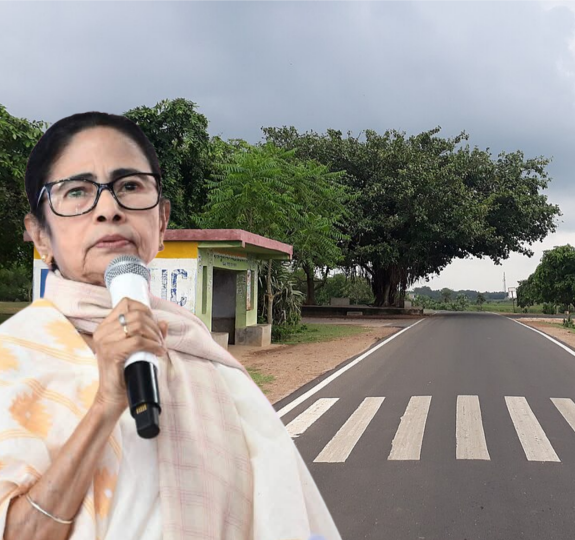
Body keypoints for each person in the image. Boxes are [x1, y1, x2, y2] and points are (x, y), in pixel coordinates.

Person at [0, 112, 341, 540]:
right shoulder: (14, 359)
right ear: (41, 234)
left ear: (160, 222)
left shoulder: (205, 358)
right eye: (77, 192)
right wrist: (106, 404)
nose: (109, 209)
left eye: (129, 186)